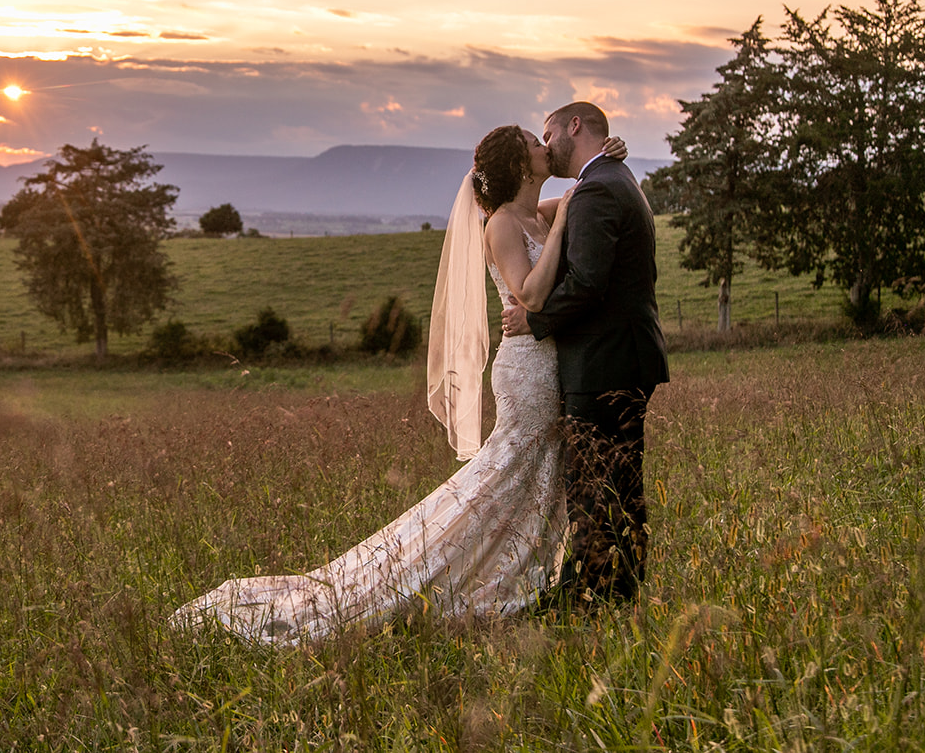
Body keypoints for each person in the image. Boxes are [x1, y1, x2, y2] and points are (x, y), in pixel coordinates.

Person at [170, 126, 626, 643]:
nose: (547, 148)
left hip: (552, 367)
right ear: (521, 165)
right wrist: (565, 216)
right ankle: (423, 580)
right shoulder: (500, 223)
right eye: (535, 143)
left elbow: (578, 196)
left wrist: (606, 159)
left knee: (531, 478)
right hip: (526, 372)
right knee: (504, 476)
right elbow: (532, 296)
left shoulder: (533, 214)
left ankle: (518, 577)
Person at [501, 101, 668, 608]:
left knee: (598, 487)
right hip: (617, 357)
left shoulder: (598, 186)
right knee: (617, 483)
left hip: (602, 361)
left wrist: (536, 321)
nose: (547, 145)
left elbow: (589, 283)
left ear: (575, 126)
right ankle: (615, 589)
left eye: (548, 133)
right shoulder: (610, 178)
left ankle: (594, 595)